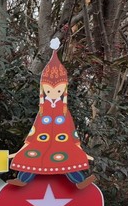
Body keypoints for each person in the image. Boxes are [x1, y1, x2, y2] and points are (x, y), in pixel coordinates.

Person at [8, 39, 95, 189]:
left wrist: (77, 147)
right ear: (44, 90)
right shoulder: (43, 111)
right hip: (41, 143)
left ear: (64, 90)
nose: (54, 93)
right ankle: (23, 179)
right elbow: (35, 130)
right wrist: (25, 146)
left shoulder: (64, 111)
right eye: (49, 90)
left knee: (70, 159)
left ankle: (79, 181)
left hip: (62, 144)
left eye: (58, 90)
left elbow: (71, 131)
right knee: (31, 158)